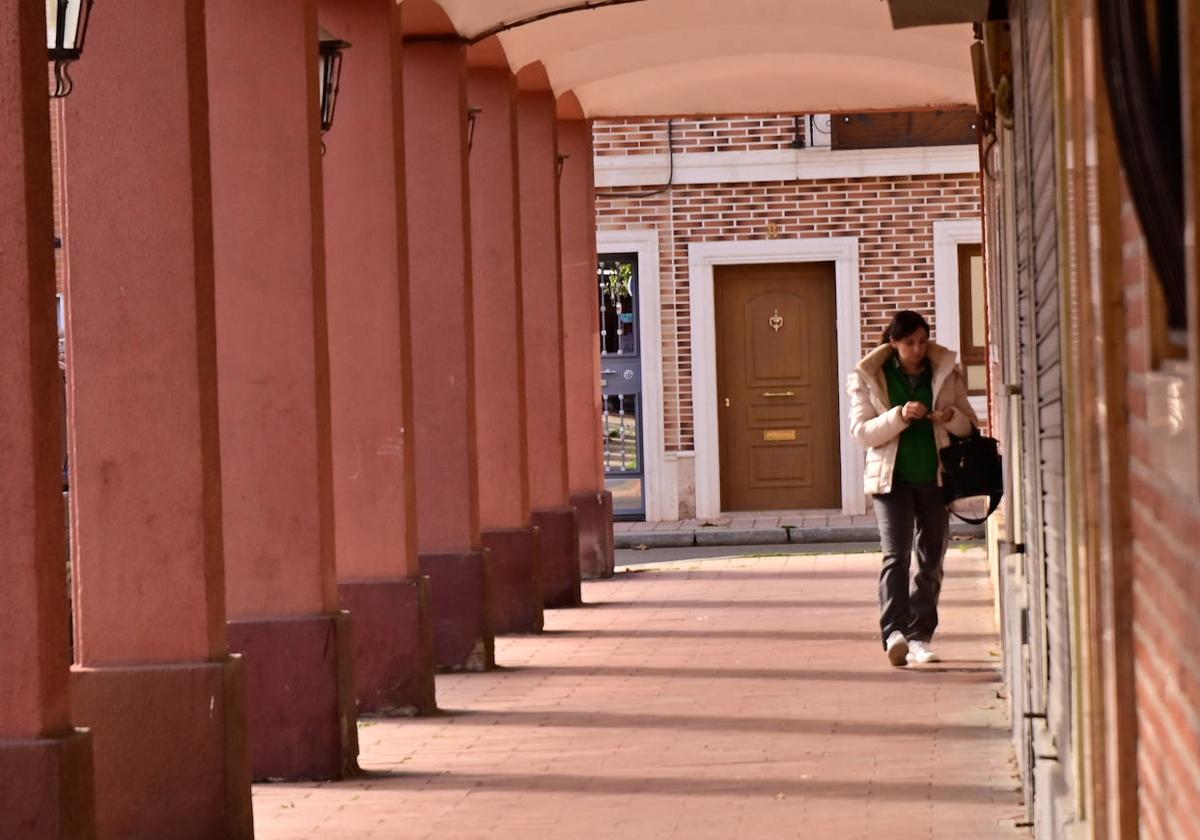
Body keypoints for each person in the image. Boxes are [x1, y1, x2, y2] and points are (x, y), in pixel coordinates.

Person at [847, 310, 978, 666]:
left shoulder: (945, 371)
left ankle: (921, 635)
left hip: (935, 479)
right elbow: (862, 432)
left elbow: (970, 426)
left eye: (922, 341)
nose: (918, 349)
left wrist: (952, 418)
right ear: (893, 343)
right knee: (896, 557)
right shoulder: (869, 376)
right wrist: (900, 415)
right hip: (890, 481)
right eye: (909, 343)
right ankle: (894, 633)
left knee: (931, 559)